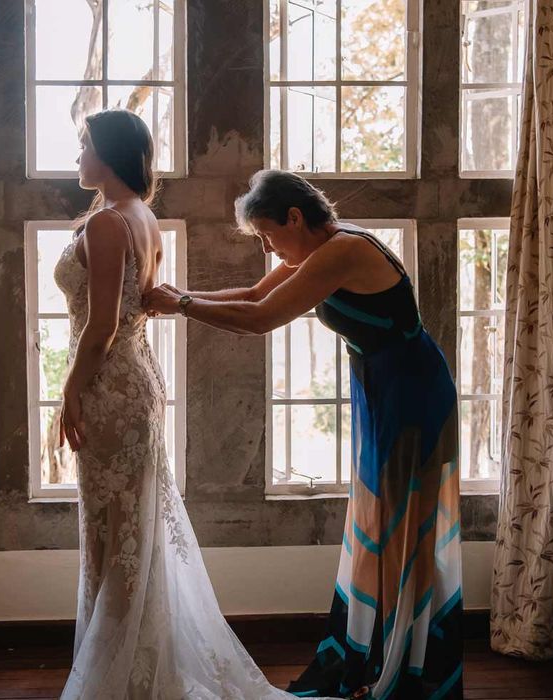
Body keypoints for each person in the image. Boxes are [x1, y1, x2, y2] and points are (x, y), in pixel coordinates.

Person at [144, 169, 463, 700]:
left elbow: (260, 318)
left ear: (295, 217)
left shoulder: (344, 251)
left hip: (412, 397)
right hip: (379, 389)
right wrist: (182, 295)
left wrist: (180, 306)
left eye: (269, 236)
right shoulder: (316, 252)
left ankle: (405, 667)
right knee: (377, 527)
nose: (269, 251)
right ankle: (373, 660)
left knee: (404, 533)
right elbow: (250, 293)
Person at [55, 113, 335, 699]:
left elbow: (103, 324)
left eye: (85, 145)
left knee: (116, 535)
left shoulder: (110, 223)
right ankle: (132, 668)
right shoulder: (141, 216)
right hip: (136, 380)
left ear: (109, 153)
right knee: (130, 532)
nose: (78, 155)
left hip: (110, 385)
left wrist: (70, 390)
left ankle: (124, 678)